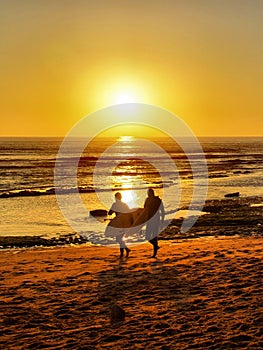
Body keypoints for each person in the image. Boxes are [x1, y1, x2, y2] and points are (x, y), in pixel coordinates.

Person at [108, 192, 131, 258]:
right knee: (119, 238)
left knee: (118, 238)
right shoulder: (124, 205)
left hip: (120, 224)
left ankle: (124, 252)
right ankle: (125, 250)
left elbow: (110, 213)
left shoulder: (114, 205)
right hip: (124, 223)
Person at [144, 188, 165, 257]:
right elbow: (144, 210)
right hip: (149, 220)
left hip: (155, 220)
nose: (149, 194)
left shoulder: (157, 200)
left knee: (154, 236)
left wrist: (162, 220)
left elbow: (162, 211)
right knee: (147, 237)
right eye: (148, 193)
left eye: (149, 193)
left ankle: (154, 253)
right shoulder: (147, 200)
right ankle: (156, 246)